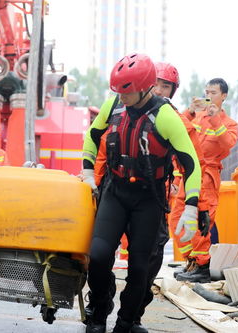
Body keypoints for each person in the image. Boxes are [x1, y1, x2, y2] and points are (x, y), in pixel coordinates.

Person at [81, 53, 201, 333]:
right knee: (97, 255)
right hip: (116, 191)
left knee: (140, 268)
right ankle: (99, 310)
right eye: (118, 91)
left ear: (146, 87)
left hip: (148, 198)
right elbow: (92, 135)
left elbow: (191, 164)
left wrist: (192, 208)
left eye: (128, 92)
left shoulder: (166, 116)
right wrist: (88, 172)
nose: (121, 97)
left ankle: (126, 322)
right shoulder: (114, 104)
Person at [174, 78, 238, 282]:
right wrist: (190, 111)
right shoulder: (196, 117)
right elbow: (177, 128)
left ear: (224, 96)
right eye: (206, 91)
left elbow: (227, 145)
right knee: (176, 218)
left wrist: (215, 117)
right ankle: (191, 260)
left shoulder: (230, 123)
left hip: (208, 176)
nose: (208, 96)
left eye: (214, 93)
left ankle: (202, 264)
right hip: (190, 172)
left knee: (202, 220)